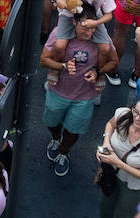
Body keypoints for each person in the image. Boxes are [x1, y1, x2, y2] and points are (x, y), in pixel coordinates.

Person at [40, 12, 116, 177]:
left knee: (73, 130)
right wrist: (62, 67)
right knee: (52, 123)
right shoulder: (59, 34)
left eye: (93, 28)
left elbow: (114, 61)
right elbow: (43, 60)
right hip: (58, 91)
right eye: (85, 27)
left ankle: (64, 152)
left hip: (84, 96)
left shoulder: (102, 40)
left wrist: (98, 72)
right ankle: (55, 139)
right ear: (74, 22)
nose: (90, 33)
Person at [96, 95, 140, 218]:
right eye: (136, 111)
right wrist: (106, 142)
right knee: (106, 208)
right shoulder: (123, 114)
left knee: (124, 214)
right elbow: (110, 124)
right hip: (111, 174)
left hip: (134, 187)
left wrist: (118, 163)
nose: (136, 118)